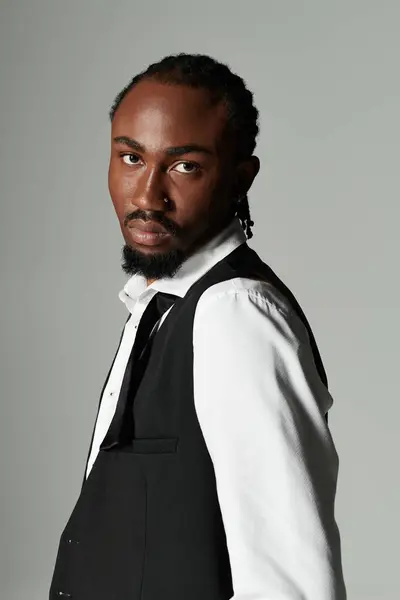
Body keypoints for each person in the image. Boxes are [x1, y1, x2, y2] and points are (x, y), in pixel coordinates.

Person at [49, 53, 347, 599]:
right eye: (131, 158)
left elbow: (290, 579)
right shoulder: (158, 306)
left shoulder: (234, 313)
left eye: (185, 166)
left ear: (241, 177)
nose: (146, 197)